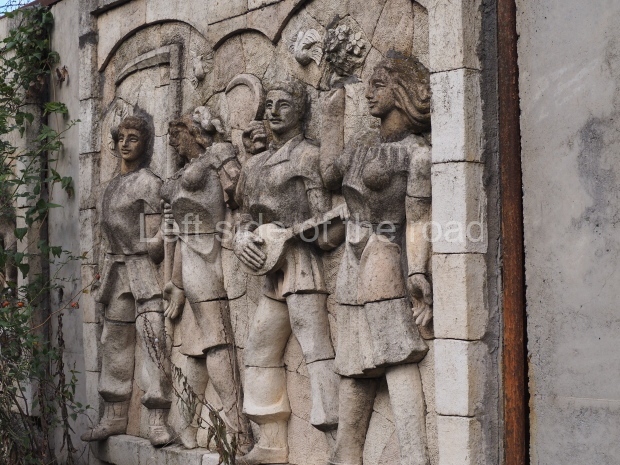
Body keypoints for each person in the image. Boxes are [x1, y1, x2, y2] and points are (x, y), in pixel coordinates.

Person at [320, 56, 433, 465]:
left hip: (384, 253)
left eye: (379, 84)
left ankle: (415, 454)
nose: (369, 93)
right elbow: (329, 176)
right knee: (353, 360)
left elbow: (418, 219)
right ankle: (346, 453)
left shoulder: (417, 154)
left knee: (396, 352)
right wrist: (331, 112)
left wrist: (416, 271)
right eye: (368, 84)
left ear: (401, 91)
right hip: (352, 257)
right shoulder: (360, 145)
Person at [233, 79, 339, 465]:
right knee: (259, 350)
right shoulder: (254, 165)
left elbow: (327, 225)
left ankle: (337, 442)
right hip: (271, 274)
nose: (274, 111)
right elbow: (244, 216)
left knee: (316, 351)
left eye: (284, 104)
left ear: (301, 111)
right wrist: (242, 237)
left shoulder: (308, 156)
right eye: (270, 104)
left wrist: (294, 233)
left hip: (301, 266)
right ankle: (272, 442)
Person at [161, 109, 251, 450]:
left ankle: (237, 429)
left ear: (194, 132)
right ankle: (188, 426)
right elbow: (178, 232)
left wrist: (220, 140)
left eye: (178, 134)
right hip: (191, 258)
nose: (174, 142)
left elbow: (240, 189)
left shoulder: (216, 155)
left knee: (215, 340)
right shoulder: (186, 170)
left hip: (210, 254)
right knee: (200, 346)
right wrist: (175, 283)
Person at [81, 115, 174, 446]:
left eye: (133, 138)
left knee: (153, 340)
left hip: (144, 272)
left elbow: (160, 235)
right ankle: (114, 415)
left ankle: (157, 419)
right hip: (116, 273)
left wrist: (158, 240)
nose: (125, 143)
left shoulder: (149, 183)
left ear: (144, 143)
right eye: (121, 137)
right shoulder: (110, 187)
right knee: (114, 343)